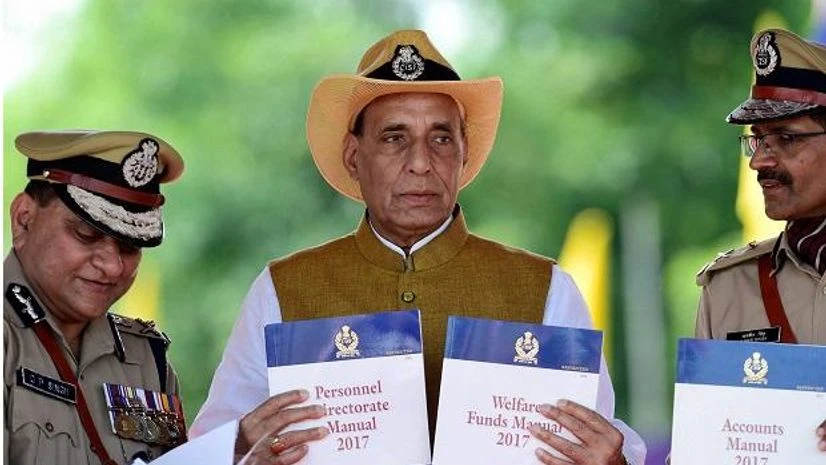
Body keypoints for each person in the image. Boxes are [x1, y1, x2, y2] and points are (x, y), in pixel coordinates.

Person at [191, 30, 647, 465]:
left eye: (441, 138)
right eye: (395, 138)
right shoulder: (283, 289)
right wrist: (241, 447)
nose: (421, 163)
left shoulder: (545, 288)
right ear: (354, 155)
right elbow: (211, 445)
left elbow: (596, 439)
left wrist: (614, 459)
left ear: (464, 152)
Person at [4, 130, 187, 464]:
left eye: (130, 246)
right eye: (86, 234)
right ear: (23, 220)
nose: (113, 266)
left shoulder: (146, 358)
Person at [694, 28, 826, 452]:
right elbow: (706, 447)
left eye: (786, 138)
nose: (759, 161)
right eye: (757, 139)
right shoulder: (728, 287)